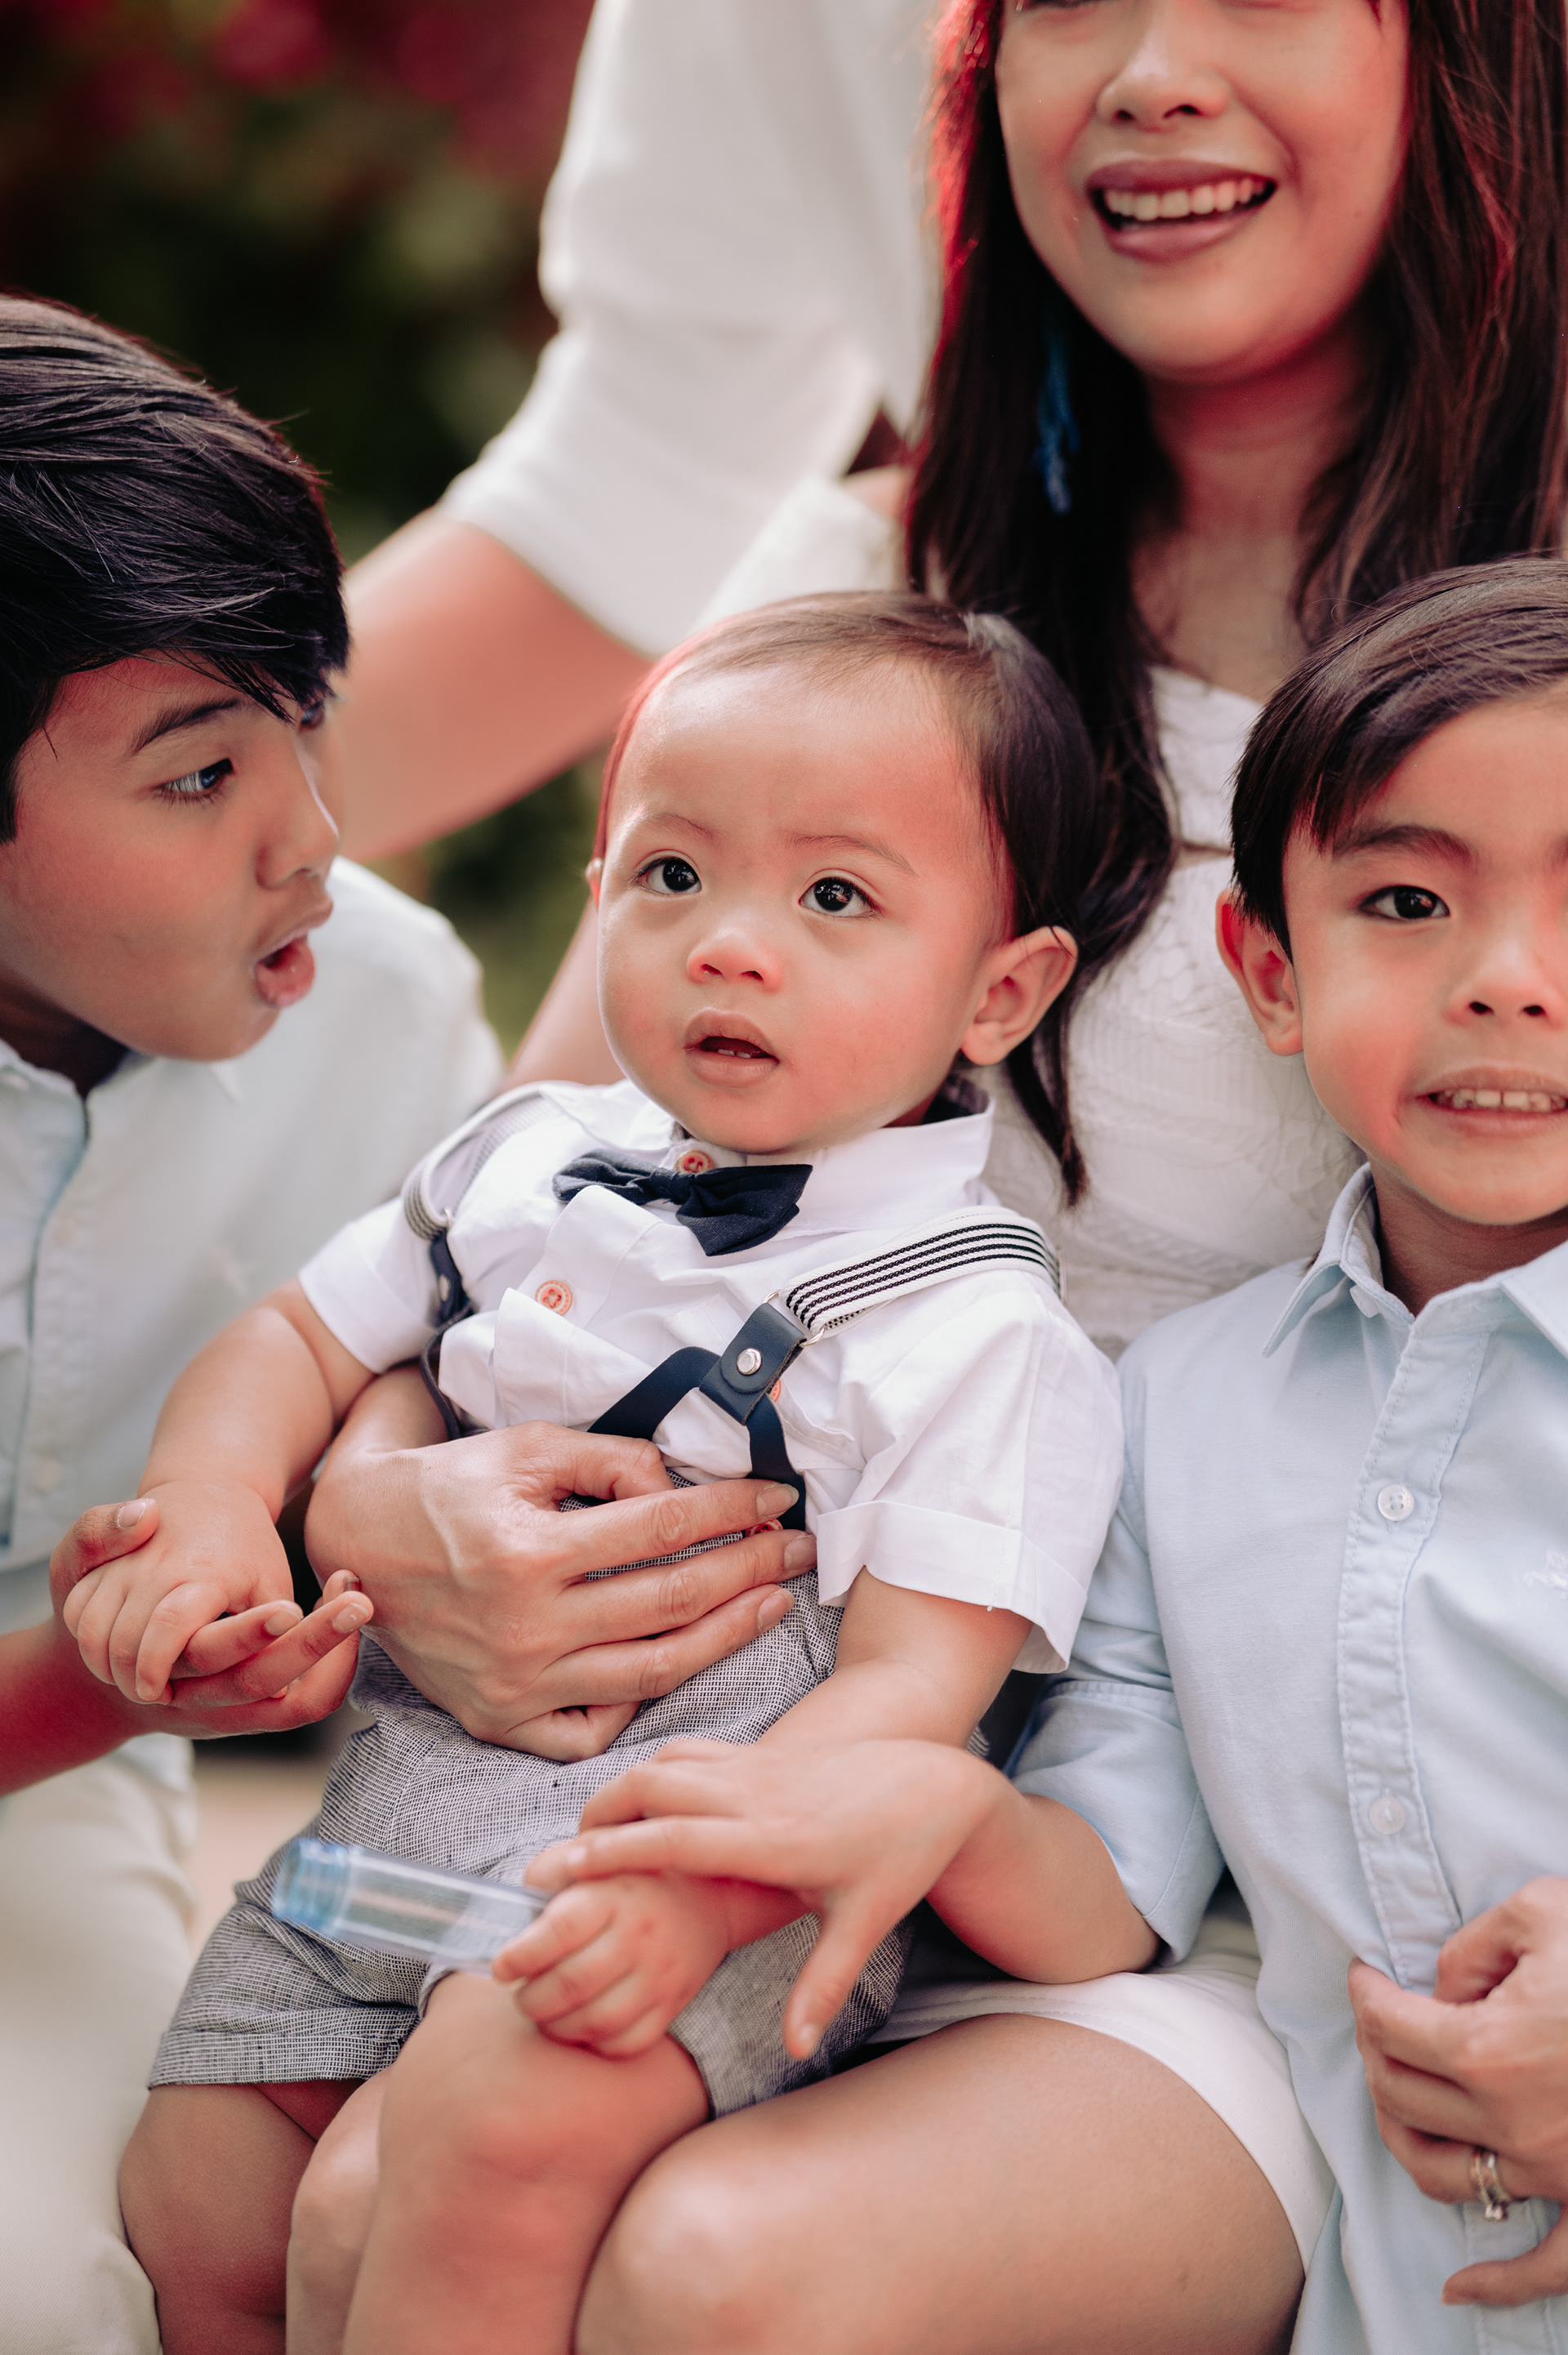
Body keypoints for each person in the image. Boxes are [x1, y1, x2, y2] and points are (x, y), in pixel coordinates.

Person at [275, 2, 1568, 2351]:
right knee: (355, 2201)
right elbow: (560, 1198)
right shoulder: (871, 608)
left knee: (718, 2276)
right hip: (757, 1761)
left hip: (1262, 1860)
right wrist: (388, 1500)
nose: (1151, 72)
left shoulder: (1528, 689)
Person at [541, 557, 1568, 2352]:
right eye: (1406, 900)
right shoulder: (1177, 1406)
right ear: (1270, 970)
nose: (1508, 983)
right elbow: (1115, 1889)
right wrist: (949, 1808)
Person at [107, 594, 1123, 2355]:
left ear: (1000, 990)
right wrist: (208, 1505)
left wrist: (699, 1884)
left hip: (704, 1873)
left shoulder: (975, 1328)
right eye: (672, 875)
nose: (730, 944)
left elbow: (908, 1694)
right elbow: (297, 1336)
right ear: (599, 902)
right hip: (397, 1822)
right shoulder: (521, 1162)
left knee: (494, 2143)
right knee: (197, 2195)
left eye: (835, 897)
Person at [0, 293, 504, 2355]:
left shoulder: (381, 999)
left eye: (302, 721)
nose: (310, 833)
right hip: (67, 1712)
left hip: (52, 1794)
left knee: (65, 2287)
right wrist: (120, 1679)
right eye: (200, 771)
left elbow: (437, 1354)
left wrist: (359, 1510)